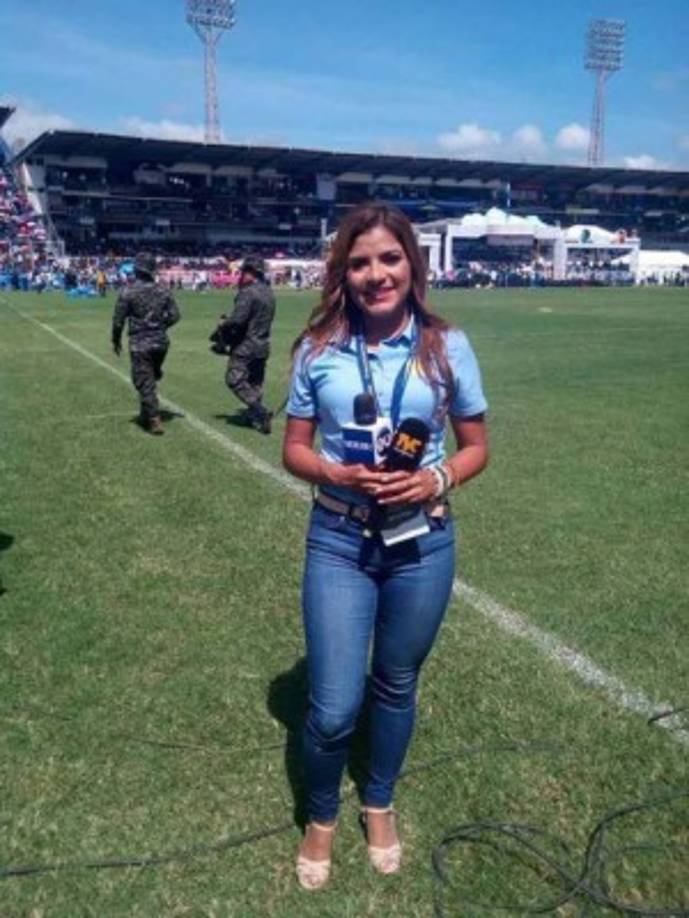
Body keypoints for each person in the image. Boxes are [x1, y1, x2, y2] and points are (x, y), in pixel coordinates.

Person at [282, 203, 489, 890]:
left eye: (389, 259)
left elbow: (475, 448)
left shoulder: (445, 345)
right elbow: (294, 450)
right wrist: (334, 472)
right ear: (344, 272)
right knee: (334, 705)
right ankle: (319, 817)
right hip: (338, 539)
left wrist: (435, 475)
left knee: (395, 685)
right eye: (361, 262)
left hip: (421, 543)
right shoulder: (318, 348)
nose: (377, 275)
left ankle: (377, 802)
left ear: (412, 263)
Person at [111, 252, 180, 435]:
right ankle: (146, 410)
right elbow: (175, 315)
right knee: (149, 377)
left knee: (142, 380)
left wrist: (116, 340)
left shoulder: (128, 291)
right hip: (161, 344)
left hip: (140, 343)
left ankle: (153, 418)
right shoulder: (164, 290)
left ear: (136, 269)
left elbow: (118, 321)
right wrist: (160, 326)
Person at [221, 255, 275, 434]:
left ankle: (260, 412)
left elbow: (238, 320)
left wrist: (223, 325)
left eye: (243, 272)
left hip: (246, 345)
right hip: (262, 345)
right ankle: (254, 418)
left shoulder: (248, 292)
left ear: (250, 273)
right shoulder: (269, 292)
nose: (240, 276)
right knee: (255, 383)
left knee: (234, 379)